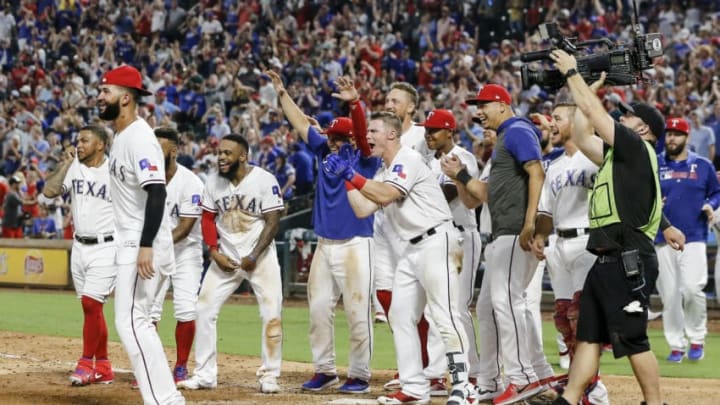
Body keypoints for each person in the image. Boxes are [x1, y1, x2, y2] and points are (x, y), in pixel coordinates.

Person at [548, 49, 684, 405]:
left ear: (643, 129)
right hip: (608, 258)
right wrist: (588, 90)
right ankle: (570, 398)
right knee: (589, 337)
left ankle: (655, 403)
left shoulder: (638, 148)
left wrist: (573, 74)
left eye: (628, 118)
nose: (621, 120)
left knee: (632, 337)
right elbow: (581, 130)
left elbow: (593, 115)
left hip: (629, 259)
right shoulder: (618, 156)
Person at [324, 112, 474, 405]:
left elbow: (384, 195)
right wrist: (347, 181)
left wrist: (351, 175)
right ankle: (414, 386)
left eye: (374, 131)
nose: (368, 136)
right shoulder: (384, 170)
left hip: (437, 241)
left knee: (444, 315)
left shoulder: (408, 158)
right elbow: (362, 210)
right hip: (412, 249)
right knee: (400, 315)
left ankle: (463, 385)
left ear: (392, 134)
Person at [269, 71, 380, 394]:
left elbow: (361, 134)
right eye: (330, 137)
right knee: (318, 310)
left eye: (336, 138)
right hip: (325, 243)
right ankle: (325, 370)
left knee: (358, 312)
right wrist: (282, 93)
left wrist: (356, 104)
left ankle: (359, 374)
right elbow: (301, 125)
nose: (330, 141)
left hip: (357, 243)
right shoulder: (323, 152)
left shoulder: (364, 159)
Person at [443, 84, 548, 405]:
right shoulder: (503, 140)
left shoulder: (516, 130)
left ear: (503, 105)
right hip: (502, 234)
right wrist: (460, 175)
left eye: (484, 105)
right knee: (487, 308)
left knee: (508, 303)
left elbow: (537, 172)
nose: (479, 111)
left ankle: (522, 378)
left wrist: (530, 222)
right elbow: (487, 195)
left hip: (516, 232)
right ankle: (488, 380)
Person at [99, 65, 184, 405]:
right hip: (132, 241)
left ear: (125, 98)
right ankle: (166, 397)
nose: (100, 96)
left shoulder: (139, 137)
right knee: (136, 322)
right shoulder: (121, 136)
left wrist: (146, 244)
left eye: (105, 91)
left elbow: (157, 192)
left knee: (133, 323)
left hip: (142, 242)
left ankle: (164, 400)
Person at [178, 134, 284, 394]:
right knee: (203, 309)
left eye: (227, 153)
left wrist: (254, 256)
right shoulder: (213, 182)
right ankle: (204, 375)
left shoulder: (264, 180)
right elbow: (207, 219)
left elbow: (273, 221)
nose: (221, 157)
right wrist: (213, 252)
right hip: (225, 256)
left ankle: (270, 375)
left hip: (260, 258)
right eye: (220, 153)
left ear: (243, 156)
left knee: (271, 314)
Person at [530, 100, 609, 404]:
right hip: (559, 244)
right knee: (564, 319)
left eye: (558, 119)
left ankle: (592, 388)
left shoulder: (596, 156)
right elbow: (547, 211)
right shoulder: (556, 165)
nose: (552, 124)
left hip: (588, 242)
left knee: (583, 319)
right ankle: (587, 384)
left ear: (577, 123)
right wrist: (539, 235)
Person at [42, 125, 116, 387]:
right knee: (91, 310)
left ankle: (86, 364)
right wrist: (67, 164)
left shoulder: (115, 171)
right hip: (80, 246)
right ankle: (104, 366)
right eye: (77, 140)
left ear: (100, 145)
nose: (79, 144)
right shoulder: (75, 166)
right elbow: (48, 193)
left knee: (90, 304)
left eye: (85, 140)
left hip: (107, 245)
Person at [418, 108, 483, 387]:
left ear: (449, 132)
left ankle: (471, 371)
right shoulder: (428, 162)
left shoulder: (460, 158)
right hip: (439, 239)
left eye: (434, 130)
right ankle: (439, 373)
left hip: (461, 236)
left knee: (456, 307)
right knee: (438, 307)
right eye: (427, 129)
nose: (428, 134)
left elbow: (446, 194)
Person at [655, 117, 720, 363]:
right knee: (670, 295)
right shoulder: (656, 164)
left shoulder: (702, 165)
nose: (671, 138)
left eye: (677, 133)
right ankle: (676, 344)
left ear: (687, 137)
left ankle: (696, 337)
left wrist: (710, 205)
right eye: (669, 133)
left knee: (692, 289)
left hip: (694, 236)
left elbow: (716, 192)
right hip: (663, 238)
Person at [149, 127, 205, 384]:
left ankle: (181, 365)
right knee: (148, 312)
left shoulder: (191, 182)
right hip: (153, 250)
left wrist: (151, 243)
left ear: (173, 151)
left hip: (184, 253)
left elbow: (185, 227)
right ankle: (151, 365)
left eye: (158, 148)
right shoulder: (146, 179)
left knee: (185, 308)